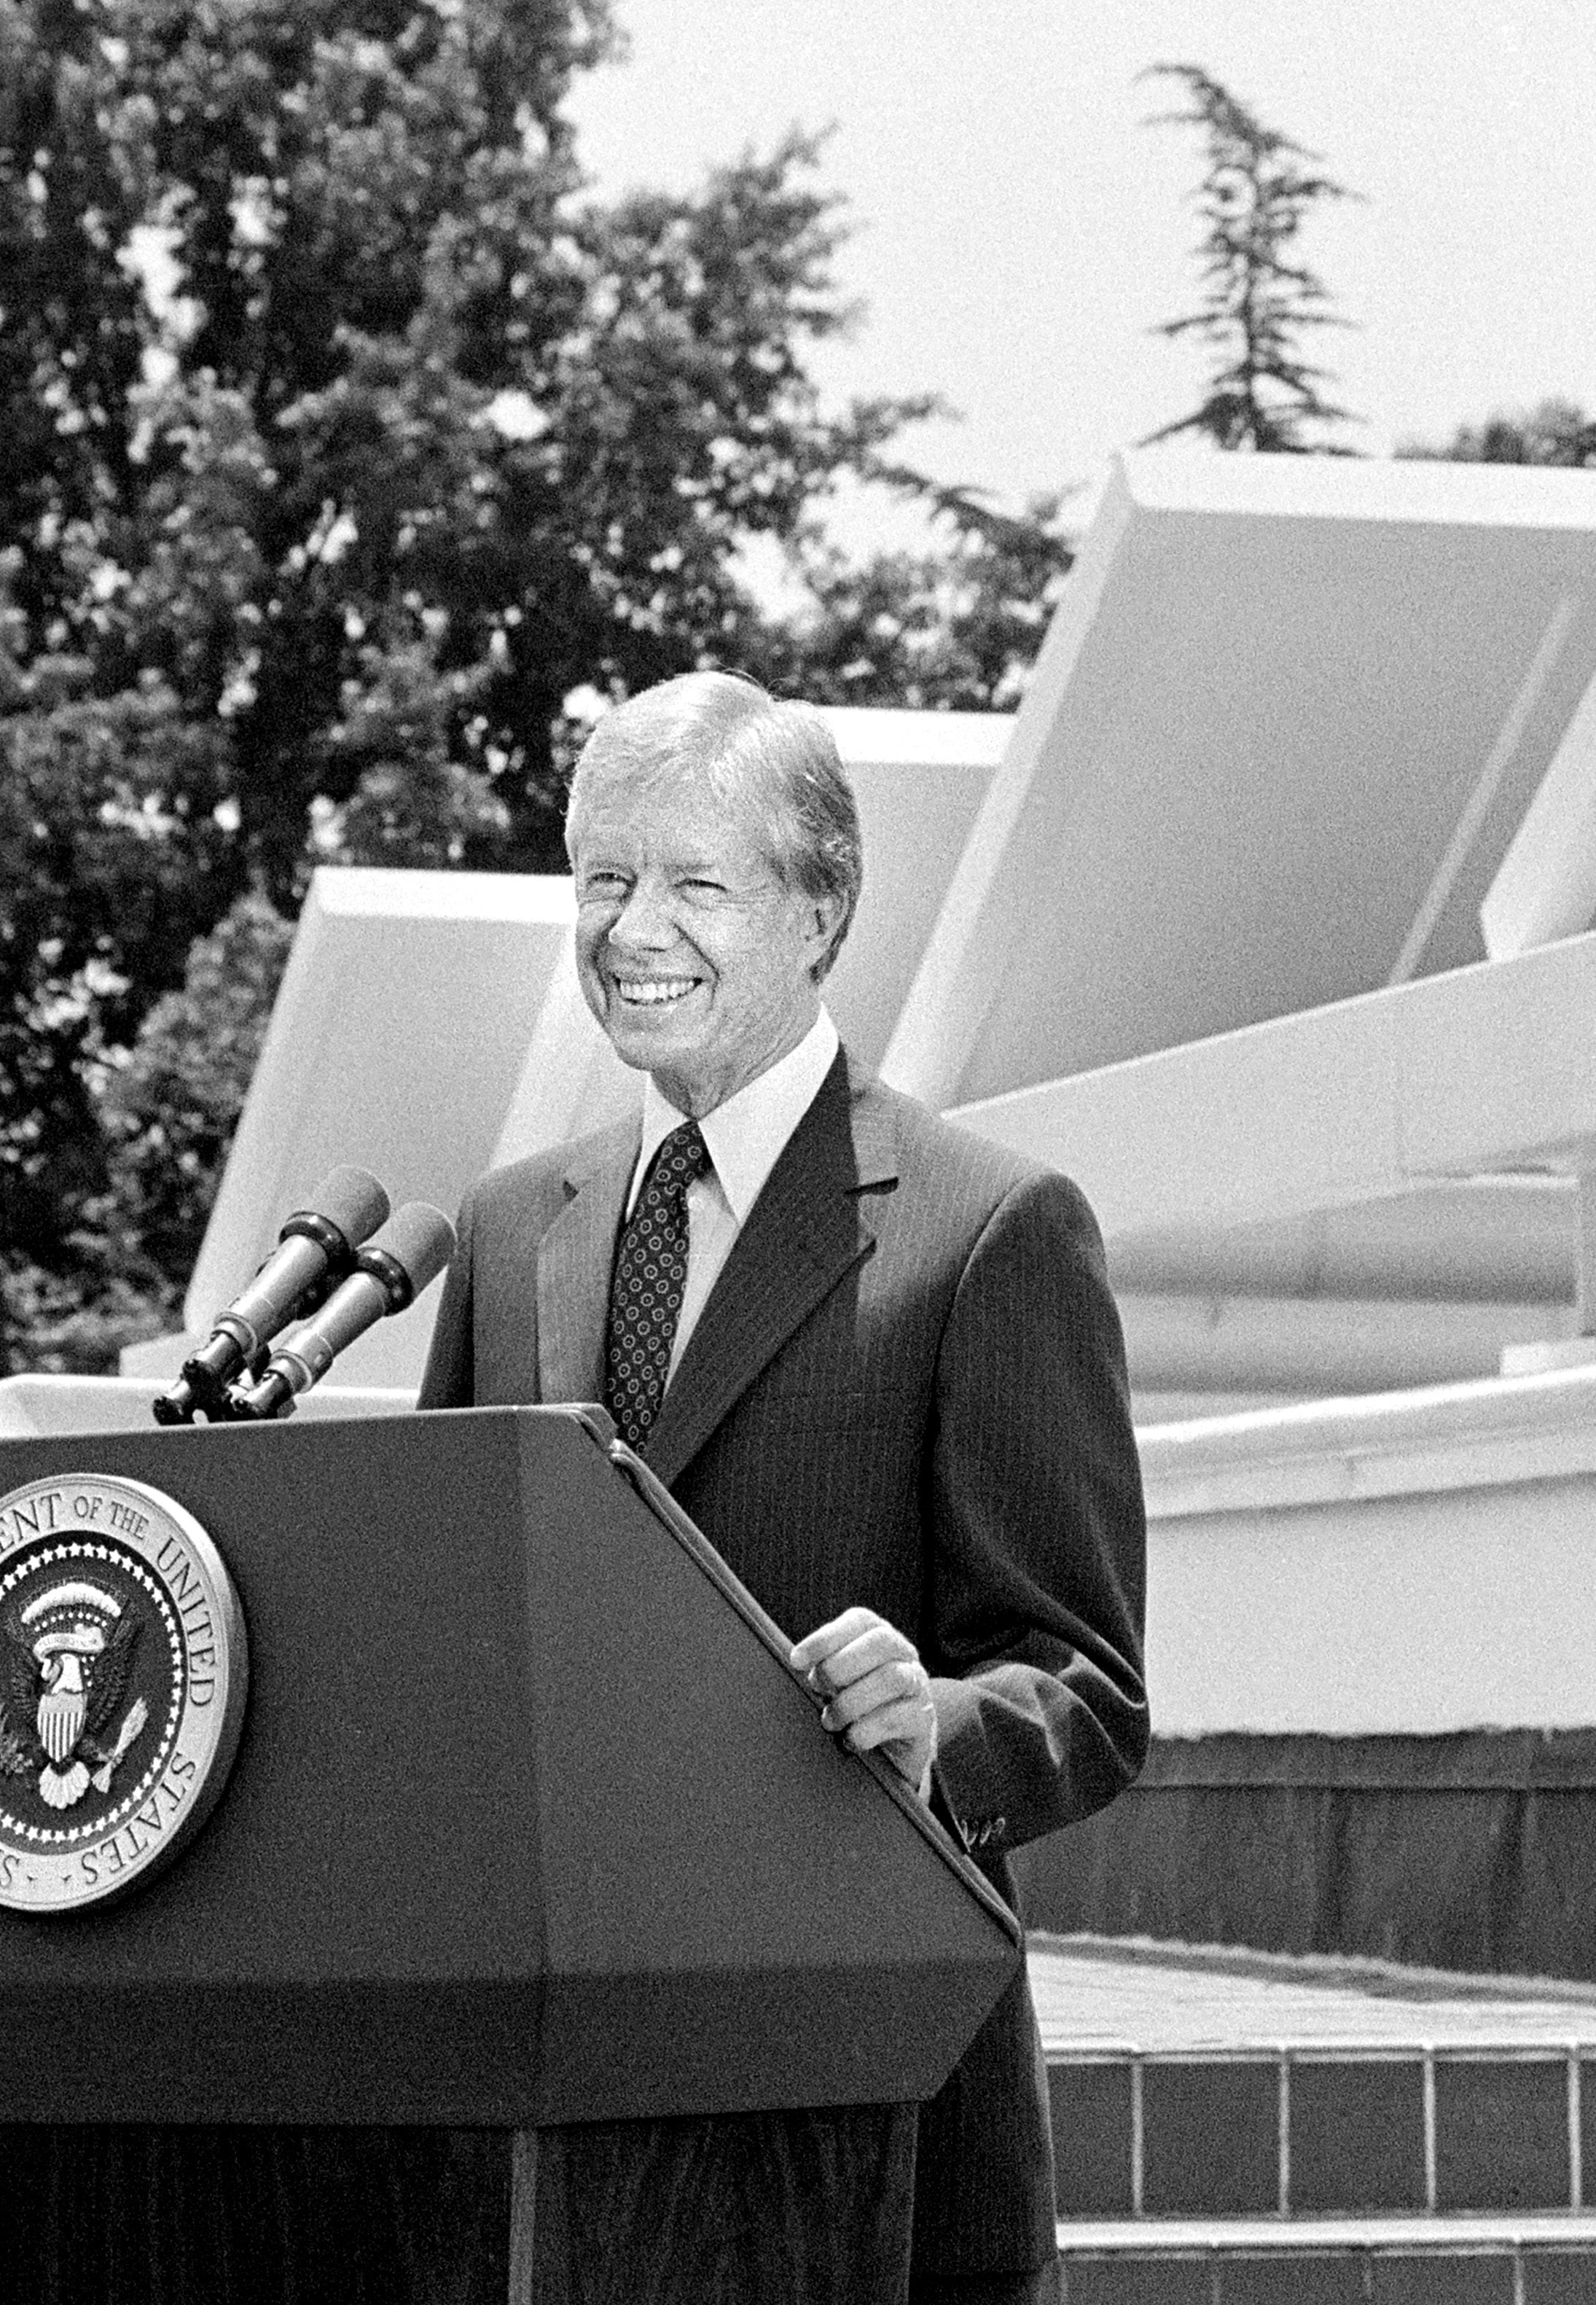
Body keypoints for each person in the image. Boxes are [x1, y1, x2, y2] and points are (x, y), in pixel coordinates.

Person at [420, 672, 1148, 2304]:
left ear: (821, 913)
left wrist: (935, 1723)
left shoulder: (988, 1230)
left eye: (693, 883)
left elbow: (1086, 1694)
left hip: (866, 2134)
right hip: (540, 2135)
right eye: (603, 879)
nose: (630, 929)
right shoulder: (503, 1230)